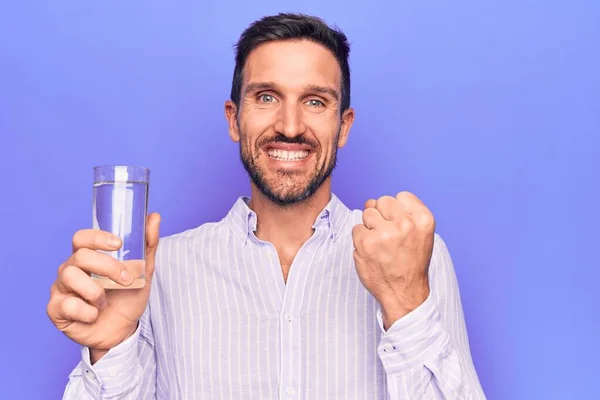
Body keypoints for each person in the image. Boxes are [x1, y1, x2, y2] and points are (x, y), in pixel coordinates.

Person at [47, 13, 485, 399]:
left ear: (344, 125)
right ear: (233, 119)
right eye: (267, 97)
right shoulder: (159, 272)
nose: (290, 126)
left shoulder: (412, 258)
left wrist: (406, 302)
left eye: (315, 102)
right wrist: (110, 346)